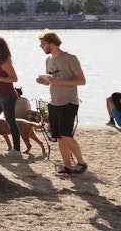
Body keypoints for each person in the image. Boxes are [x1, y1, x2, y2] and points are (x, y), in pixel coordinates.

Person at [35, 31, 87, 175]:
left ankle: (81, 163)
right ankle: (67, 166)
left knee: (66, 134)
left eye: (43, 44)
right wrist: (44, 81)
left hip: (69, 101)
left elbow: (82, 81)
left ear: (51, 43)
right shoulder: (48, 60)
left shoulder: (70, 58)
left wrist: (59, 81)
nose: (41, 46)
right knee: (58, 136)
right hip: (54, 102)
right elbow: (52, 81)